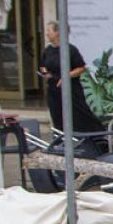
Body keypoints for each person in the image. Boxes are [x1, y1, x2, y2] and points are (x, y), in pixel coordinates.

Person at [38, 21, 106, 150]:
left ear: (58, 33)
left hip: (70, 88)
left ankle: (90, 138)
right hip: (54, 89)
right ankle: (60, 139)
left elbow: (81, 67)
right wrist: (44, 72)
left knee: (77, 113)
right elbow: (42, 65)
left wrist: (66, 76)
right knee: (57, 115)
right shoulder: (48, 50)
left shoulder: (70, 50)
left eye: (49, 31)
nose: (47, 33)